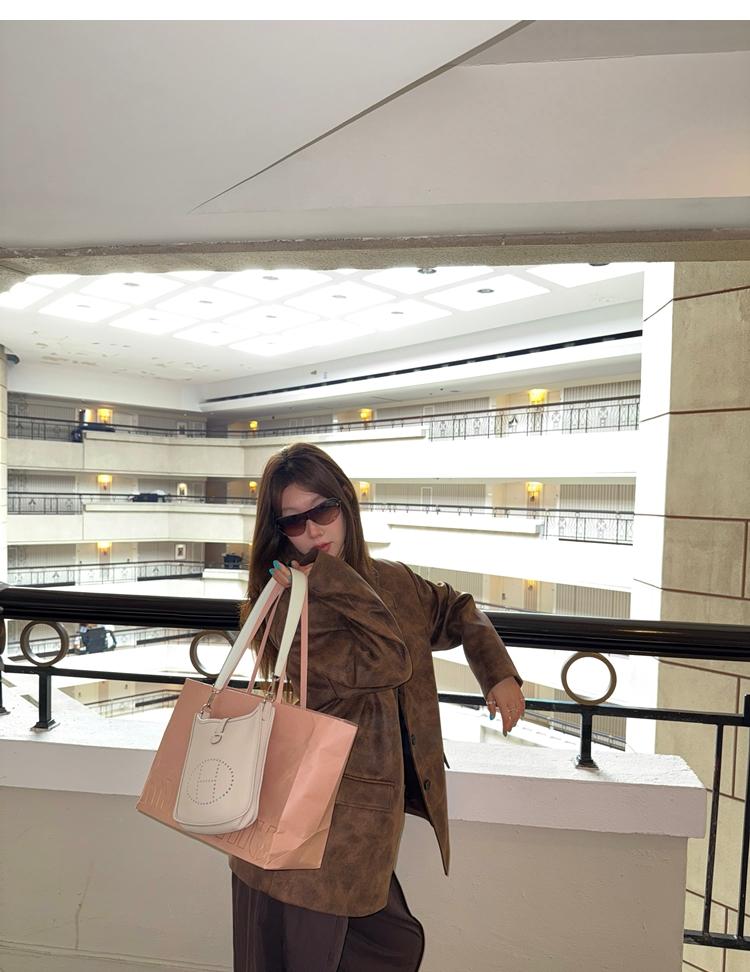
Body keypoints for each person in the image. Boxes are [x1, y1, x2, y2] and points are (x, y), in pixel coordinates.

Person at [231, 443, 525, 972]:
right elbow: (387, 660)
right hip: (314, 821)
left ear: (346, 503)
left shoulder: (393, 581)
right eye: (294, 521)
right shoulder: (290, 603)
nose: (313, 531)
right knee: (337, 953)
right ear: (281, 532)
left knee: (388, 945)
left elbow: (455, 608)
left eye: (323, 510)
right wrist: (326, 576)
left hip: (361, 820)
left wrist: (496, 670)